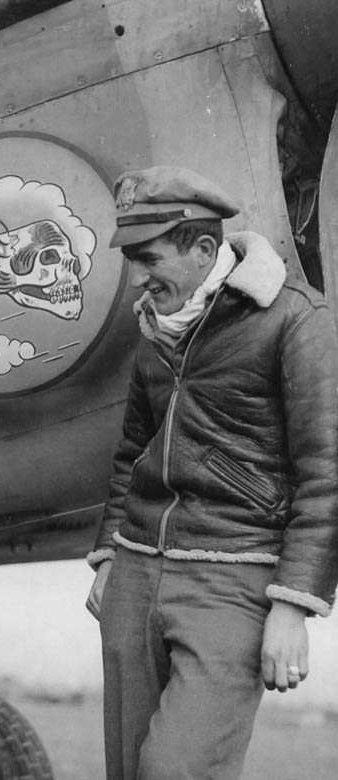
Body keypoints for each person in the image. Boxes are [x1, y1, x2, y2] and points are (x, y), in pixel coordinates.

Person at [85, 166, 338, 780]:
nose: (138, 279)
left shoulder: (295, 319)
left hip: (233, 582)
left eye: (149, 258)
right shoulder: (155, 326)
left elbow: (327, 471)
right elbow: (133, 452)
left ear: (204, 248)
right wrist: (108, 556)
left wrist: (294, 607)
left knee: (174, 772)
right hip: (135, 573)